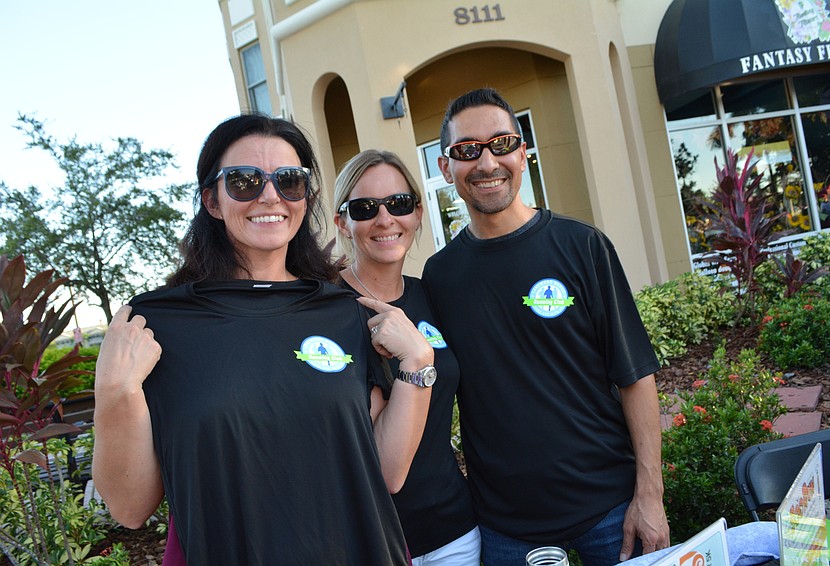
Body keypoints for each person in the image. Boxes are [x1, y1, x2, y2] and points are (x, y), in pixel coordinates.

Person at [92, 114, 435, 564]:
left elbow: (387, 472)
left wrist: (417, 364)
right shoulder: (157, 324)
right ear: (212, 200)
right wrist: (114, 390)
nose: (271, 195)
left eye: (289, 181)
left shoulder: (341, 312)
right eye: (245, 181)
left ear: (305, 198)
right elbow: (130, 508)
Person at [421, 88, 670, 566]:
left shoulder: (583, 246)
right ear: (445, 167)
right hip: (506, 528)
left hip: (611, 510)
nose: (487, 162)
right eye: (467, 150)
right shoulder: (440, 276)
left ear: (522, 153)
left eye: (501, 144)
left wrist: (649, 495)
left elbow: (636, 375)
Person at [333, 149, 480, 565]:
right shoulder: (325, 311)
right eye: (365, 208)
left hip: (454, 534)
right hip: (369, 542)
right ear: (343, 222)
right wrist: (416, 359)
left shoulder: (431, 294)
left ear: (417, 213)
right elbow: (386, 471)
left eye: (398, 204)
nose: (385, 219)